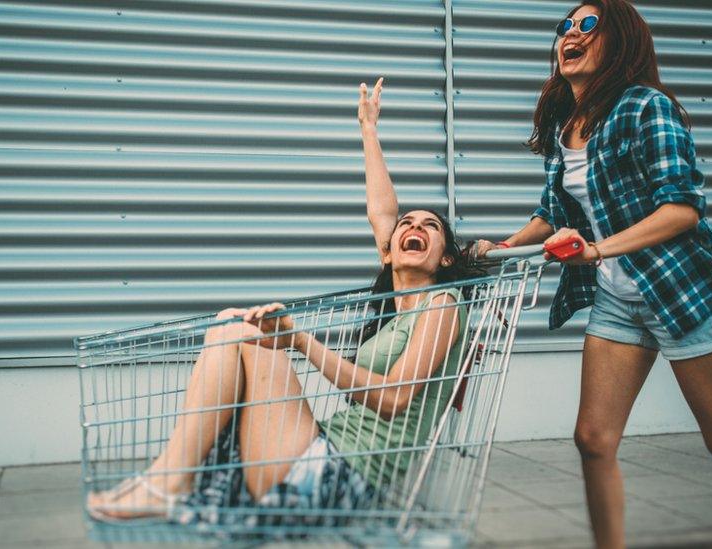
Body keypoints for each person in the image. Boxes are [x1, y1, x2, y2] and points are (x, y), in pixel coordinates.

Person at [86, 77, 478, 525]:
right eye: (408, 223)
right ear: (389, 250)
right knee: (231, 324)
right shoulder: (396, 304)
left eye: (431, 226)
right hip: (321, 449)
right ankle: (166, 479)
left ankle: (168, 484)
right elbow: (381, 213)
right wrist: (369, 129)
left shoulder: (442, 304)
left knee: (241, 330)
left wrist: (301, 342)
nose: (415, 226)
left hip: (339, 476)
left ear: (445, 257)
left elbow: (393, 399)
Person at [475, 1, 712, 547]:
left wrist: (596, 251)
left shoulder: (647, 108)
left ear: (618, 40)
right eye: (565, 26)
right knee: (593, 439)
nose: (571, 34)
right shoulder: (568, 125)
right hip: (619, 300)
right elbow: (552, 211)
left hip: (685, 291)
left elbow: (682, 208)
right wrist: (501, 246)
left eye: (587, 25)